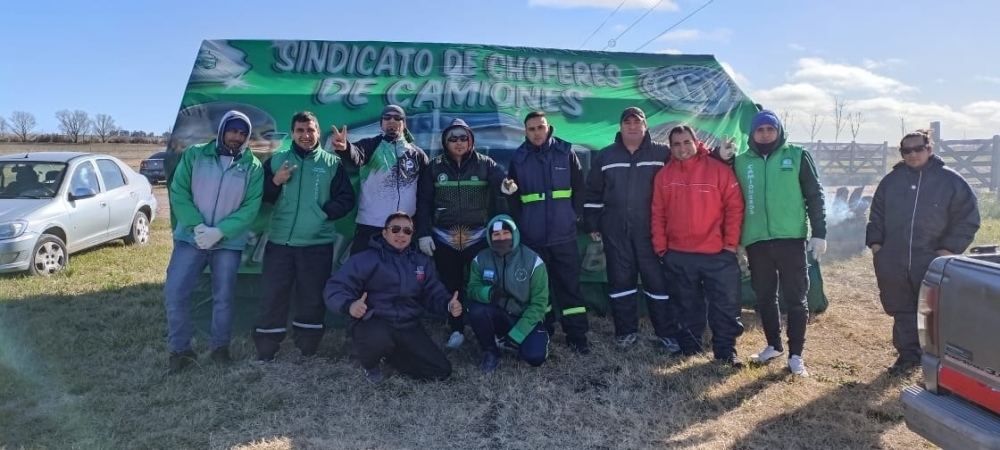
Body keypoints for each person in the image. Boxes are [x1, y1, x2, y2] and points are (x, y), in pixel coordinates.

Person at [866, 129, 980, 374]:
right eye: (907, 150)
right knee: (902, 308)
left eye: (918, 148)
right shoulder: (891, 181)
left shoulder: (951, 181)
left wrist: (947, 250)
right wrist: (878, 248)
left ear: (930, 149)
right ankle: (908, 357)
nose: (913, 154)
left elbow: (968, 219)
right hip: (893, 259)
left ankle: (941, 362)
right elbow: (875, 217)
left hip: (931, 260)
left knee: (934, 312)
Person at [163, 110, 263, 372]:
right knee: (175, 293)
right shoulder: (195, 155)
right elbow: (178, 192)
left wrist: (219, 232)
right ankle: (180, 350)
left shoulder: (252, 166)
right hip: (190, 239)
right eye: (232, 130)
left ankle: (220, 348)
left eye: (242, 133)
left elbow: (251, 207)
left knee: (224, 297)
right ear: (222, 130)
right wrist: (197, 227)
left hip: (227, 243)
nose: (237, 137)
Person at [252, 111, 356, 361]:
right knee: (272, 295)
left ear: (318, 133)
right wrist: (275, 182)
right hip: (279, 243)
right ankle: (267, 346)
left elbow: (346, 199)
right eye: (300, 130)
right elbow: (261, 197)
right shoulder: (277, 161)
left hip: (316, 244)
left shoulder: (332, 164)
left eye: (310, 130)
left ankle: (307, 345)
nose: (306, 135)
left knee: (311, 297)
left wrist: (321, 214)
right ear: (292, 134)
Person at [731, 110, 827, 376]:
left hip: (790, 239)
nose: (765, 134)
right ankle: (773, 345)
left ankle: (796, 355)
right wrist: (738, 239)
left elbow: (814, 195)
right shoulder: (741, 161)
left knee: (796, 298)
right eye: (759, 130)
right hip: (757, 240)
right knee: (764, 296)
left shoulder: (795, 155)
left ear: (778, 131)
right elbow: (731, 199)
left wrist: (819, 231)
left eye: (770, 129)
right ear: (752, 133)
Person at [583, 106, 680, 352]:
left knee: (657, 284)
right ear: (621, 126)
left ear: (645, 125)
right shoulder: (606, 156)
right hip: (615, 231)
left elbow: (684, 170)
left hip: (651, 232)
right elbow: (593, 191)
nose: (633, 126)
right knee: (621, 283)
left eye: (637, 122)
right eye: (628, 122)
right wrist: (592, 222)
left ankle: (667, 334)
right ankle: (625, 332)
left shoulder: (663, 154)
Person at [324, 212, 463, 383]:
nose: (401, 235)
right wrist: (349, 305)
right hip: (374, 321)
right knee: (377, 339)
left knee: (440, 371)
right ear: (384, 232)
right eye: (395, 229)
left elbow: (432, 293)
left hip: (407, 325)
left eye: (407, 231)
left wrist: (448, 305)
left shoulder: (420, 262)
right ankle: (370, 362)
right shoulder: (364, 260)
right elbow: (335, 287)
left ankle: (392, 357)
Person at [415, 119, 514, 348]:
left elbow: (502, 183)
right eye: (453, 138)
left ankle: (497, 332)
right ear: (445, 141)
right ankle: (456, 329)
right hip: (444, 238)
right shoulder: (434, 166)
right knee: (451, 285)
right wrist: (423, 233)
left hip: (478, 237)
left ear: (470, 140)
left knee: (487, 285)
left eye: (463, 138)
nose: (458, 143)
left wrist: (508, 186)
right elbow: (424, 202)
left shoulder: (486, 163)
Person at [652, 125, 746, 367]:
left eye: (686, 142)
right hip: (679, 254)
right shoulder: (664, 176)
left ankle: (725, 351)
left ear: (696, 142)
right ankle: (690, 346)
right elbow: (658, 214)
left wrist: (730, 244)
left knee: (724, 306)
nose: (683, 148)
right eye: (677, 144)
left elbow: (735, 208)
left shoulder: (718, 170)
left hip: (717, 254)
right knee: (685, 305)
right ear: (670, 148)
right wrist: (662, 249)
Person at [506, 110, 591, 354]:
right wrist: (523, 225)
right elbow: (513, 199)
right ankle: (544, 332)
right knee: (538, 291)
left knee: (569, 287)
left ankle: (577, 337)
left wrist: (572, 217)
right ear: (525, 132)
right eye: (531, 129)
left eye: (540, 127)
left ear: (548, 127)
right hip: (534, 238)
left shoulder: (565, 152)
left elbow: (579, 189)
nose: (536, 133)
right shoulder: (519, 158)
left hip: (563, 236)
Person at [328, 105, 429, 255]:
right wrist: (345, 149)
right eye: (387, 118)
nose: (392, 121)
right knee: (361, 274)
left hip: (405, 230)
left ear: (404, 123)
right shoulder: (370, 145)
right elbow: (355, 155)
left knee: (400, 276)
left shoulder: (418, 154)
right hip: (371, 227)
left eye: (397, 118)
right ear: (381, 123)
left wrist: (424, 232)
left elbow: (425, 197)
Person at [466, 215, 550, 372]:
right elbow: (472, 288)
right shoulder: (480, 259)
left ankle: (518, 341)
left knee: (535, 357)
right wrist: (488, 293)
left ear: (515, 234)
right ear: (490, 238)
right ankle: (491, 351)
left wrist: (518, 333)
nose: (502, 238)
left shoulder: (533, 261)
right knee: (476, 309)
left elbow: (539, 303)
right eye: (496, 235)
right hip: (499, 314)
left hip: (525, 317)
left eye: (506, 233)